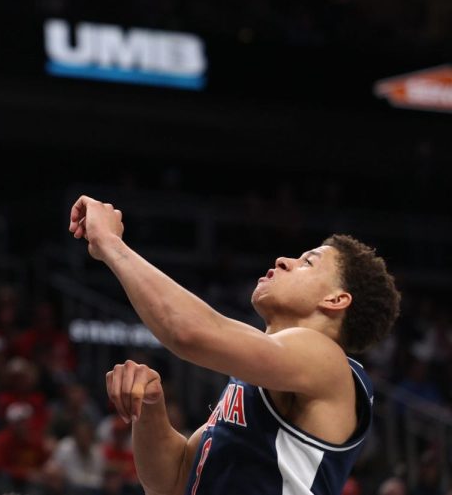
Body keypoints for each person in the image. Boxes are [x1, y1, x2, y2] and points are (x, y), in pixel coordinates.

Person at [68, 196, 400, 495]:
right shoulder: (264, 375)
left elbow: (190, 332)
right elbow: (172, 480)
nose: (284, 260)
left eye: (307, 262)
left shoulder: (326, 360)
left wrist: (111, 243)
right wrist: (151, 407)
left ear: (336, 299)